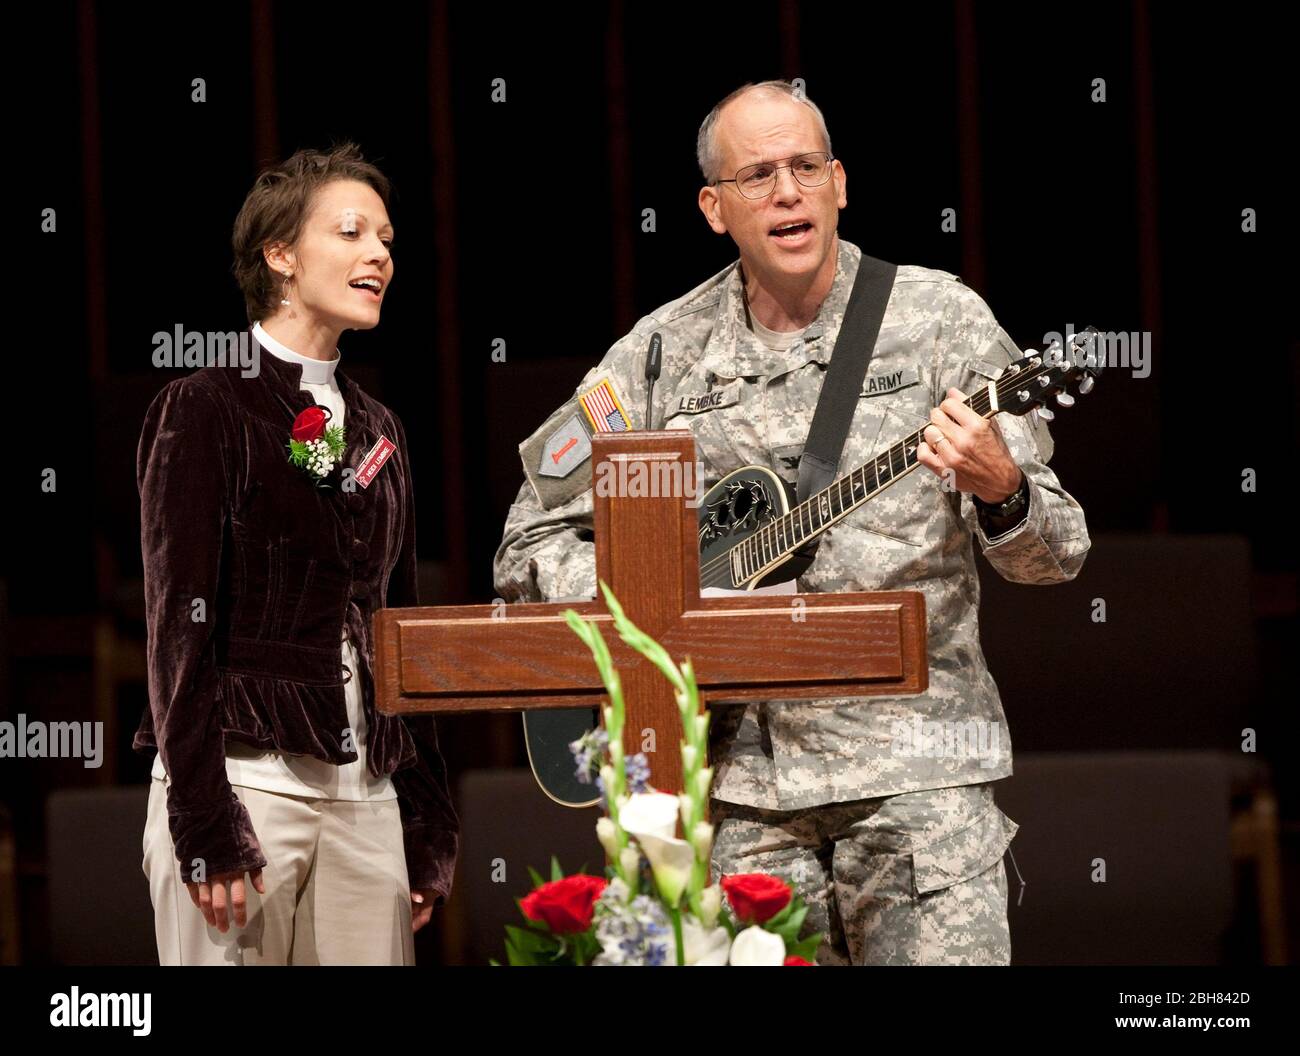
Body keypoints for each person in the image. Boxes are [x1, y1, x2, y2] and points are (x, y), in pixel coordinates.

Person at [493, 81, 1090, 965]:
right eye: (759, 173)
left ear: (840, 183)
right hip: (739, 802)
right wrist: (662, 605)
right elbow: (528, 543)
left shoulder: (937, 320)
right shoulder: (658, 353)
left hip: (919, 787)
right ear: (712, 207)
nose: (787, 191)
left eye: (807, 167)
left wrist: (1001, 487)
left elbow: (1058, 554)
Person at [137, 143, 459, 965]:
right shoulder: (204, 405)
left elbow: (396, 628)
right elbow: (178, 627)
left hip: (366, 801)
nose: (379, 255)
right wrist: (205, 822)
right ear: (280, 256)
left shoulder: (381, 428)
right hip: (245, 789)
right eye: (350, 233)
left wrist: (424, 820)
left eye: (385, 238)